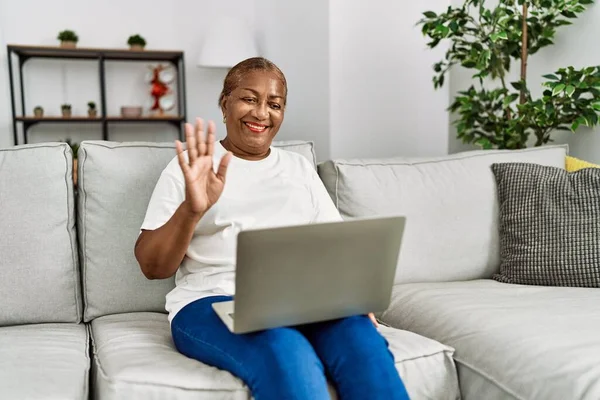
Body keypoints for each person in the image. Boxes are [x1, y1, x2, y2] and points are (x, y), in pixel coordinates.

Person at [134, 57, 409, 400]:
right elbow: (152, 266)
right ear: (225, 104)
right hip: (210, 302)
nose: (262, 113)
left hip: (301, 302)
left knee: (362, 340)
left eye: (274, 104)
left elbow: (335, 249)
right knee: (283, 347)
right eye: (249, 99)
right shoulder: (190, 168)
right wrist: (191, 210)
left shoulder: (299, 169)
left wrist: (352, 297)